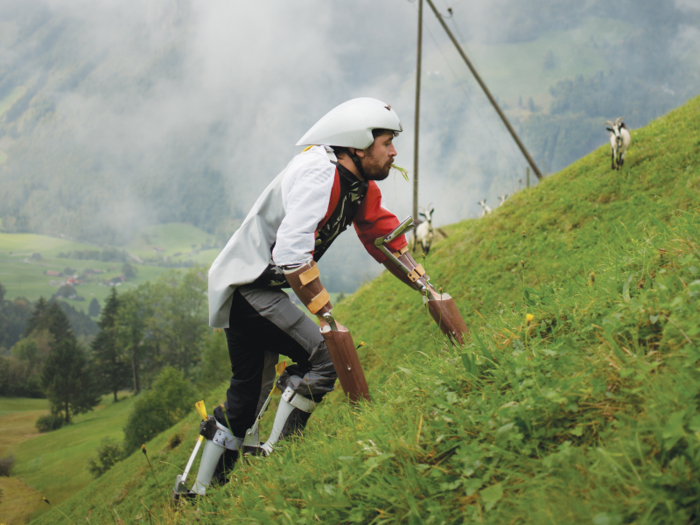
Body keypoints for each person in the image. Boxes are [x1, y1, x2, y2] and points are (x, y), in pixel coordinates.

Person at [182, 98, 466, 498]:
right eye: (387, 143)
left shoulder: (356, 184)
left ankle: (196, 494)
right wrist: (326, 316)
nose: (394, 152)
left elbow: (381, 237)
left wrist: (426, 286)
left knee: (245, 399)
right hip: (250, 287)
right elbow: (291, 254)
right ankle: (273, 461)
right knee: (326, 356)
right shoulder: (319, 173)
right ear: (358, 145)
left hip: (254, 286)